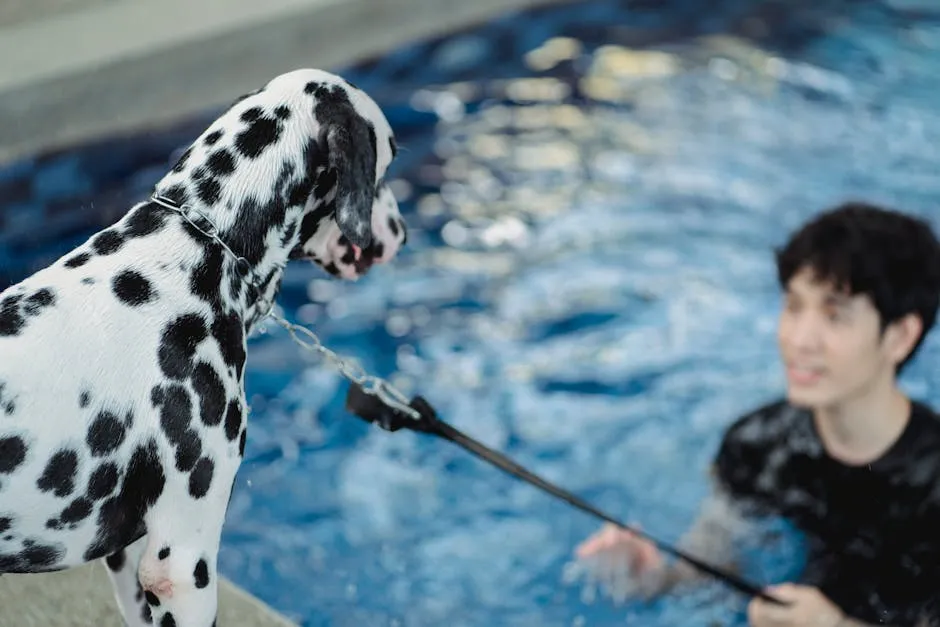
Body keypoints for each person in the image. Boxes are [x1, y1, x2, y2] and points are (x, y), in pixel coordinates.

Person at [573, 202, 940, 627]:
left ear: (900, 336)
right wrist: (651, 579)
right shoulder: (757, 443)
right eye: (793, 306)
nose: (800, 339)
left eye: (834, 315)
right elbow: (713, 562)